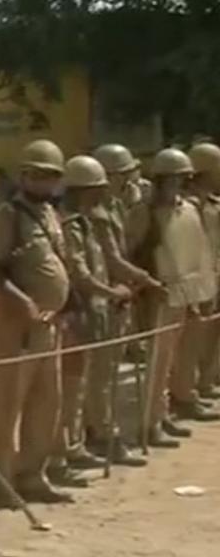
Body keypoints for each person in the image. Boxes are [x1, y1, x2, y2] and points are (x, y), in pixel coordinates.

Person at [0, 139, 72, 505]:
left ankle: (33, 475)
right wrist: (25, 304)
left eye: (52, 176)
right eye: (39, 175)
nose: (46, 182)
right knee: (9, 404)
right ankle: (0, 480)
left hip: (47, 325)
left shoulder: (50, 213)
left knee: (47, 401)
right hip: (14, 325)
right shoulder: (8, 216)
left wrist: (63, 305)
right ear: (24, 176)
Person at [48, 156, 142, 486]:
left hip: (97, 309)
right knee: (70, 387)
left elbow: (108, 260)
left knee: (89, 380)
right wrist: (112, 292)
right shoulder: (69, 224)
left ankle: (77, 443)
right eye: (94, 190)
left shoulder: (89, 220)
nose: (98, 195)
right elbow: (79, 274)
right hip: (76, 312)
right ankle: (64, 450)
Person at [128, 148, 220, 449]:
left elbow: (197, 255)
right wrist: (144, 286)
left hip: (185, 294)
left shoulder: (189, 209)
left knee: (172, 360)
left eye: (182, 179)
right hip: (159, 295)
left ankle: (163, 413)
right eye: (171, 179)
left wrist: (198, 293)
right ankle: (150, 424)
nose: (177, 185)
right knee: (157, 363)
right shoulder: (144, 213)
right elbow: (132, 252)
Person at [83, 144, 161, 465]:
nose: (129, 181)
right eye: (123, 176)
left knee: (111, 370)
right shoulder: (93, 213)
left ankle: (101, 429)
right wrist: (144, 279)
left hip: (118, 296)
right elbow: (111, 258)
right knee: (99, 374)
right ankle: (100, 433)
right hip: (101, 297)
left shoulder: (115, 206)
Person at [187, 142, 220, 399]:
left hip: (213, 276)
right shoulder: (187, 206)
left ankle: (206, 383)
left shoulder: (213, 203)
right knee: (191, 341)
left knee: (211, 337)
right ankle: (187, 391)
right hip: (194, 281)